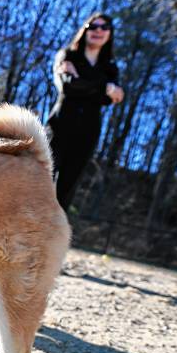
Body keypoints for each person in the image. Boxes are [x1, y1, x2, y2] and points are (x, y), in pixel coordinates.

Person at [47, 12, 124, 212]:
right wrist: (104, 87)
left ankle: (53, 239)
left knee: (67, 187)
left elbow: (112, 99)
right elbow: (67, 87)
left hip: (88, 132)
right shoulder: (67, 55)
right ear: (85, 30)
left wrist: (83, 82)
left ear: (110, 34)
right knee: (41, 179)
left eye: (104, 27)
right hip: (59, 126)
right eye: (93, 26)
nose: (98, 30)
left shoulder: (110, 69)